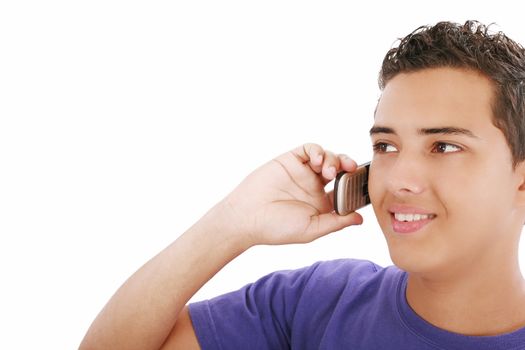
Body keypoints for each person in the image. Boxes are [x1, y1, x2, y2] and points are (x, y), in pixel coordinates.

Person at [79, 20, 525, 349]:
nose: (399, 180)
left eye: (444, 146)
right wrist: (232, 223)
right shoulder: (318, 303)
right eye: (386, 146)